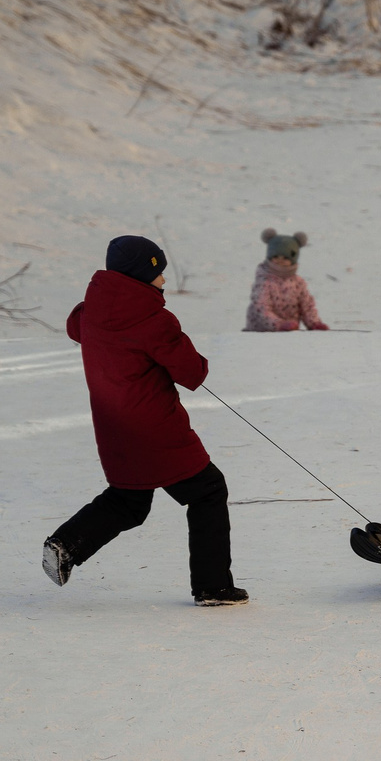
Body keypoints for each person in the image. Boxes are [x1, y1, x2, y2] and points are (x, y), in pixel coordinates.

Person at [41, 235, 248, 607]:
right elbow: (192, 372)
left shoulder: (89, 314)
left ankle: (66, 544)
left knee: (129, 501)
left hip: (113, 428)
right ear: (140, 275)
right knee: (208, 490)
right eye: (159, 274)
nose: (164, 282)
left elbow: (74, 326)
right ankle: (213, 586)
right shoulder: (153, 319)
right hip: (156, 429)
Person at [244, 229, 330, 332]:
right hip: (262, 331)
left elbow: (306, 306)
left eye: (285, 258)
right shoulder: (264, 281)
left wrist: (314, 323)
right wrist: (279, 324)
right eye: (275, 256)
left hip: (289, 331)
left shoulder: (298, 282)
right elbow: (262, 308)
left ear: (293, 259)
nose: (280, 260)